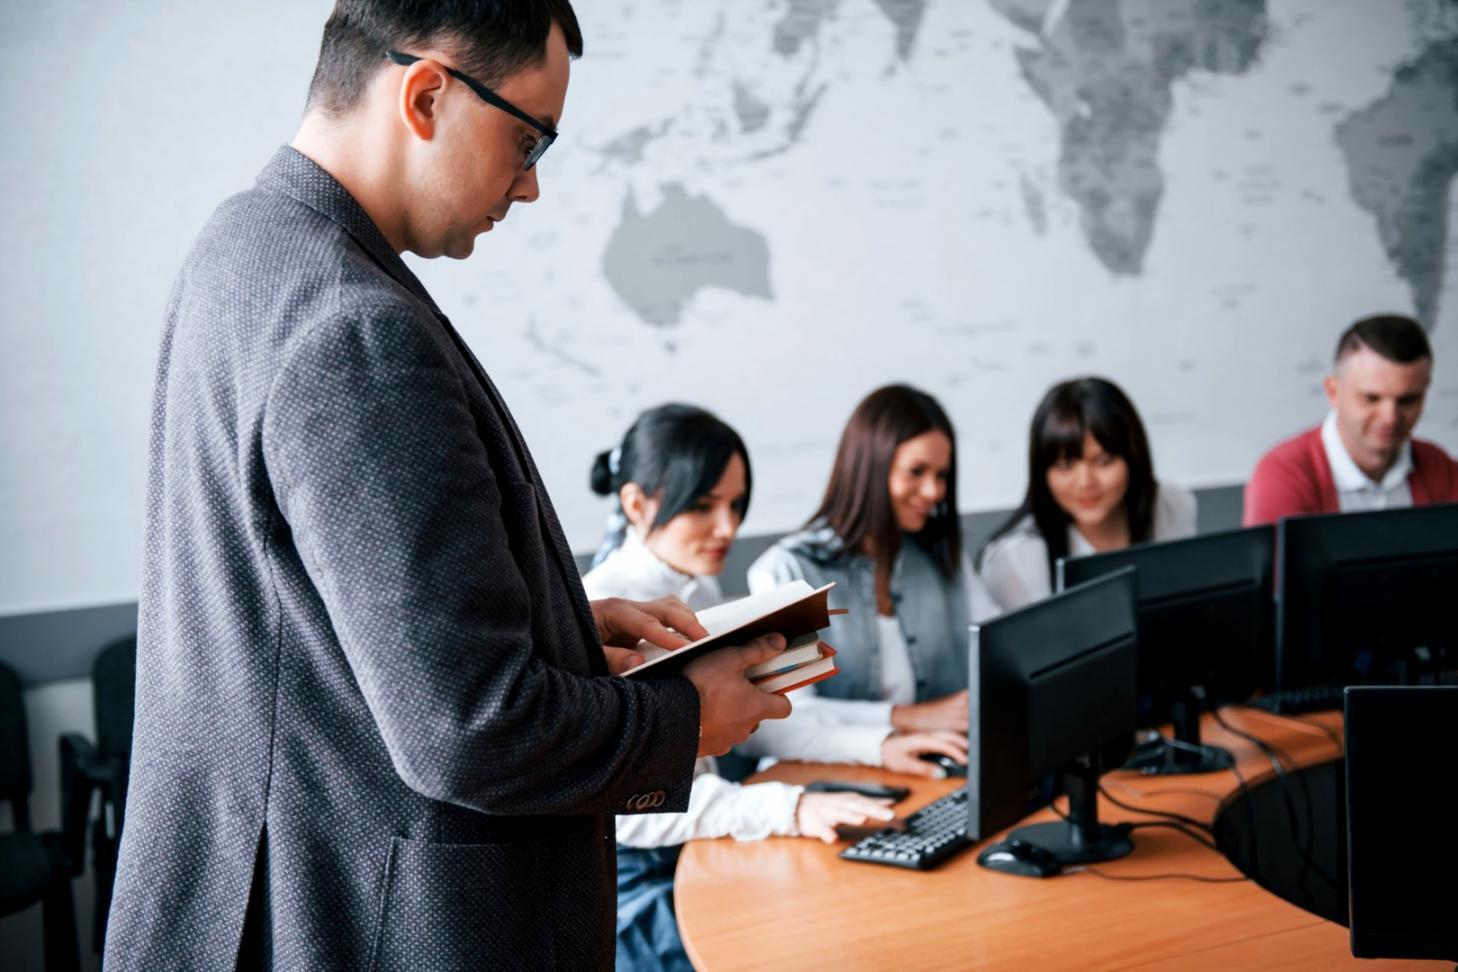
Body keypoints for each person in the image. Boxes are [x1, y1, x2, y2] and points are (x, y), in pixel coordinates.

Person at [104, 4, 791, 968]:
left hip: (252, 888)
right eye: (529, 138)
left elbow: (300, 622)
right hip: (364, 918)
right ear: (426, 94)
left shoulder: (245, 245)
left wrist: (553, 621)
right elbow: (466, 732)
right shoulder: (356, 328)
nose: (533, 183)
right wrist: (685, 721)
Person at [584, 403, 895, 972]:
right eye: (703, 506)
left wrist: (880, 746)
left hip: (705, 838)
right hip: (642, 884)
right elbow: (633, 810)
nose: (728, 528)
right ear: (636, 504)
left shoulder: (697, 586)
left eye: (736, 504)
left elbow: (759, 717)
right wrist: (789, 808)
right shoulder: (601, 613)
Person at [747, 385, 998, 775]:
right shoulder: (786, 571)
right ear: (870, 467)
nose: (934, 491)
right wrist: (909, 718)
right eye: (916, 472)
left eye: (942, 475)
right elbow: (786, 713)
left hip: (935, 769)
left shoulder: (942, 555)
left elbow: (1000, 645)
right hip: (823, 778)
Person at [978, 377, 1197, 612]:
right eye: (1065, 465)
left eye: (1103, 461)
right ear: (1042, 472)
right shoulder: (1015, 557)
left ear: (1133, 456)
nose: (1085, 482)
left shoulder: (1170, 505)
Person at [1243, 314, 1458, 525]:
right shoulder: (1284, 475)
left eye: (1407, 400)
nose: (1390, 418)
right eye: (1371, 398)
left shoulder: (1440, 467)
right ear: (1333, 392)